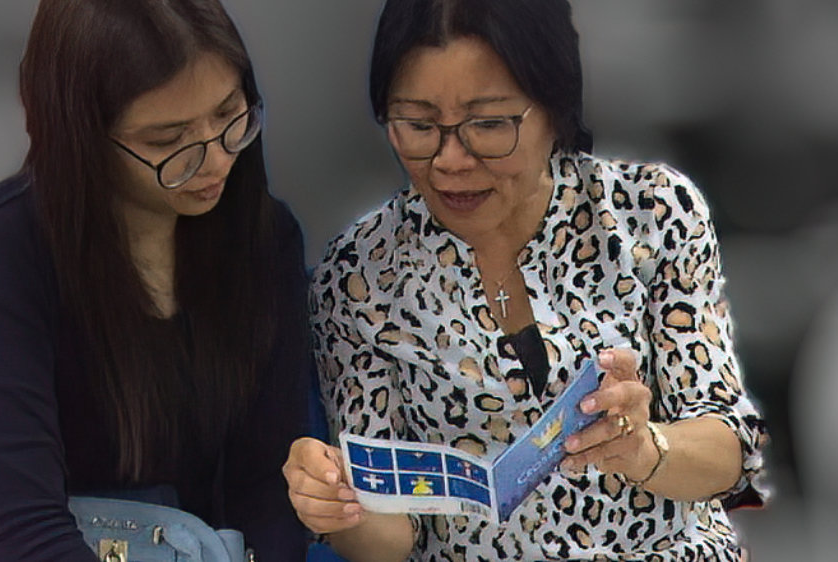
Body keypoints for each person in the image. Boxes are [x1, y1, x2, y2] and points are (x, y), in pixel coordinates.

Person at [283, 0, 767, 560]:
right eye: (417, 126)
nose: (450, 160)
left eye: (488, 125)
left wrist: (646, 449)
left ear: (555, 107)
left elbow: (729, 448)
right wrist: (334, 506)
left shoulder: (653, 212)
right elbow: (393, 538)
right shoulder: (361, 272)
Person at [0, 0, 310, 560]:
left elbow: (267, 489)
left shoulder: (266, 239)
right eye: (169, 142)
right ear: (80, 136)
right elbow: (22, 531)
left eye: (230, 114)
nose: (216, 160)